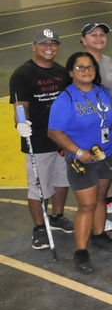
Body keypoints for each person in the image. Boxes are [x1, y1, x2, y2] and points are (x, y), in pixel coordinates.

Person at [48, 52, 112, 273]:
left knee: (100, 199)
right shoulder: (66, 99)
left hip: (106, 155)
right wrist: (78, 152)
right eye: (80, 67)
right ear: (71, 72)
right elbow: (54, 132)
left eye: (90, 66)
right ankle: (81, 251)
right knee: (87, 205)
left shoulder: (102, 92)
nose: (86, 71)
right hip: (82, 162)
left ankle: (99, 235)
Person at [8, 29, 74, 250]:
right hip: (37, 140)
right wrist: (21, 124)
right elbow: (20, 105)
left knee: (62, 180)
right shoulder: (22, 74)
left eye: (53, 43)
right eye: (43, 43)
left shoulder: (61, 72)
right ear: (34, 46)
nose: (49, 47)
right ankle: (39, 227)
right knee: (38, 186)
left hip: (61, 137)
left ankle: (57, 216)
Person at [80, 22, 112, 230]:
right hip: (98, 123)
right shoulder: (84, 63)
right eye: (93, 35)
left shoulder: (107, 59)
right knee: (97, 166)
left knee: (111, 162)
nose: (99, 37)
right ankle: (95, 211)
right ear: (83, 40)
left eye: (102, 34)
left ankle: (109, 202)